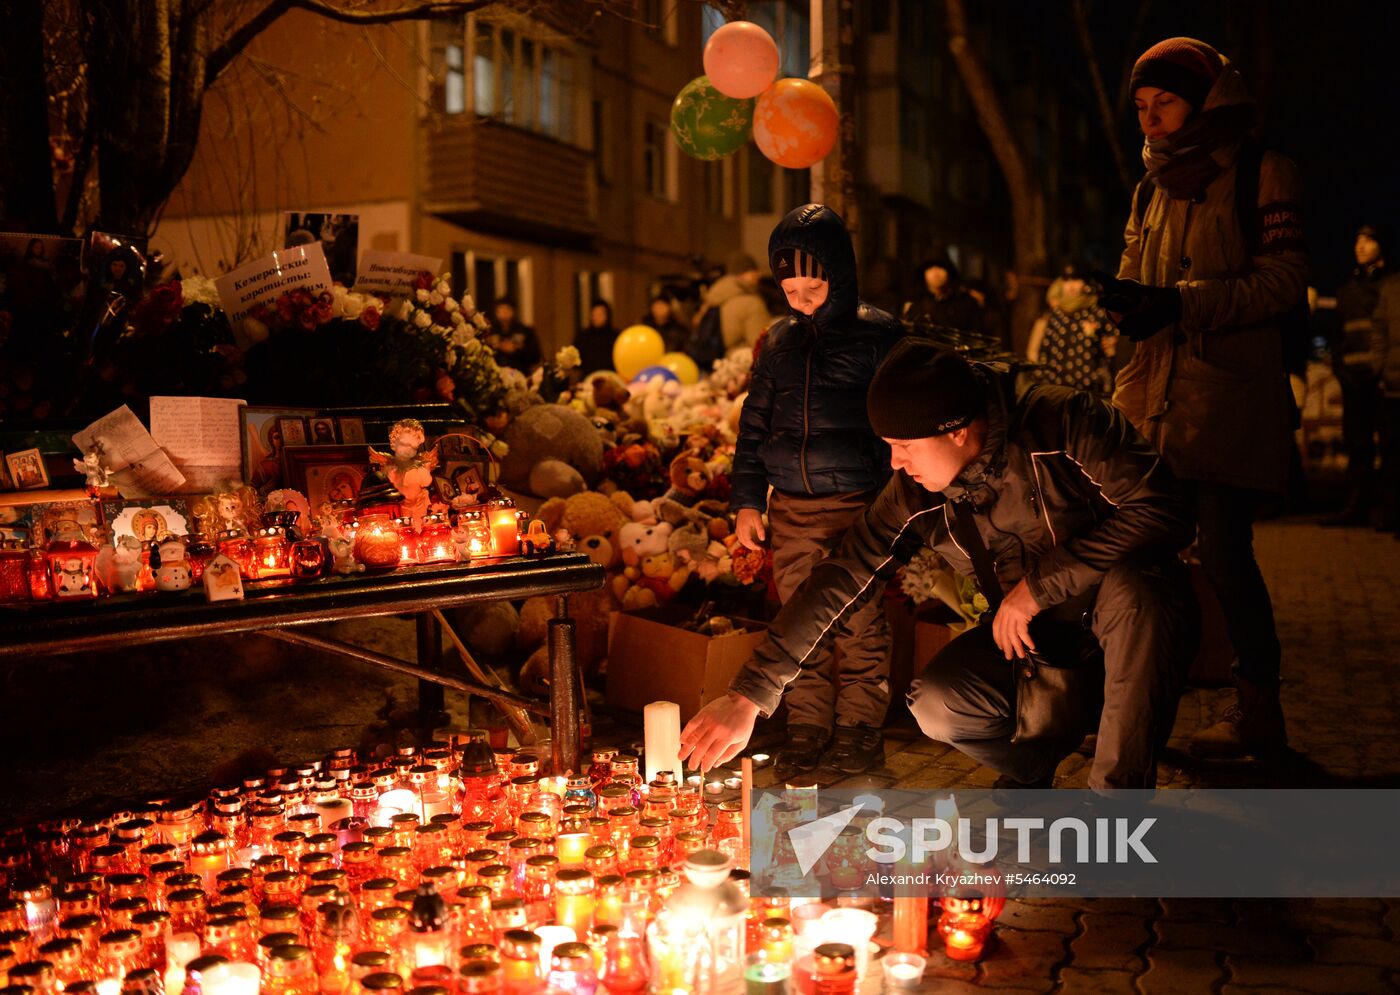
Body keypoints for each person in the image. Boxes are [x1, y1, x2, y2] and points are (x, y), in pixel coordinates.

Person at [681, 341, 1199, 791]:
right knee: (937, 702)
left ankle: (1116, 809)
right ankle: (1032, 769)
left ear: (957, 432)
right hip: (1039, 651)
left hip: (1131, 632)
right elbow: (841, 576)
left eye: (905, 446)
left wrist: (1037, 588)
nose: (895, 463)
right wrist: (750, 695)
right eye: (889, 447)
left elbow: (1166, 511)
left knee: (1136, 592)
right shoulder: (915, 494)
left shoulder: (1065, 423)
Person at [1095, 37, 1306, 760]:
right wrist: (1126, 304)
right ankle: (1135, 712)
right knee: (1140, 558)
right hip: (1150, 399)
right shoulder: (1149, 186)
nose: (1151, 120)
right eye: (1141, 107)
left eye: (1167, 103)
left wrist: (1181, 303)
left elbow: (1283, 282)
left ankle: (1257, 709)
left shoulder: (1263, 172)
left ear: (1207, 102)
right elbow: (1135, 271)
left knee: (1222, 554)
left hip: (1225, 401)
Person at [728, 204, 903, 776]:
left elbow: (899, 422)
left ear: (840, 276)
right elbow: (753, 427)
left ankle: (859, 728)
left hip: (857, 506)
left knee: (859, 622)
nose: (802, 301)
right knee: (799, 617)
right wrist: (748, 500)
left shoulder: (877, 337)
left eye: (814, 288)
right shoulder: (779, 344)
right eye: (791, 291)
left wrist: (894, 501)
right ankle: (807, 725)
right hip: (791, 509)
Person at [1325, 225, 1390, 526]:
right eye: (1357, 240)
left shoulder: (1390, 285)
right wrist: (1340, 370)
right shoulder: (1348, 289)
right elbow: (1337, 335)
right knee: (1357, 442)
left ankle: (1386, 507)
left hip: (1384, 380)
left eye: (1369, 240)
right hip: (1354, 380)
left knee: (1390, 444)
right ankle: (1358, 505)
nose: (1360, 246)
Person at [1026, 262, 1120, 395]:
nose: (1071, 285)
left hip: (1089, 389)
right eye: (1066, 280)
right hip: (1055, 388)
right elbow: (1037, 351)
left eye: (1076, 279)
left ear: (1086, 283)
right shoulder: (1053, 314)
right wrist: (1040, 376)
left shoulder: (1098, 313)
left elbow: (1111, 350)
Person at [696, 251, 771, 352]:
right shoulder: (752, 303)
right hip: (740, 360)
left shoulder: (713, 297)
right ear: (742, 273)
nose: (759, 274)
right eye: (753, 270)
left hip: (713, 358)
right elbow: (762, 347)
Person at [1372, 273, 1400, 533]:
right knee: (1391, 454)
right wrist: (1379, 367)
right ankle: (1392, 514)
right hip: (1392, 385)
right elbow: (1379, 329)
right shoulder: (1391, 287)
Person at [907, 256, 983, 332]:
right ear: (923, 273)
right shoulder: (916, 303)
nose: (935, 272)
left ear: (949, 272)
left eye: (940, 267)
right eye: (930, 268)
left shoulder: (965, 301)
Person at [486, 299, 542, 374]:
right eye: (501, 310)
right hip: (495, 373)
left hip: (519, 372)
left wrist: (516, 349)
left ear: (513, 311)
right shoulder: (490, 331)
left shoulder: (524, 331)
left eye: (507, 309)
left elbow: (535, 356)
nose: (504, 313)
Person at [574, 299, 617, 374]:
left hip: (610, 377)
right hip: (588, 378)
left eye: (600, 314)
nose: (596, 317)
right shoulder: (583, 336)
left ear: (607, 316)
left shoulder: (615, 336)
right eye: (594, 314)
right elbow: (576, 362)